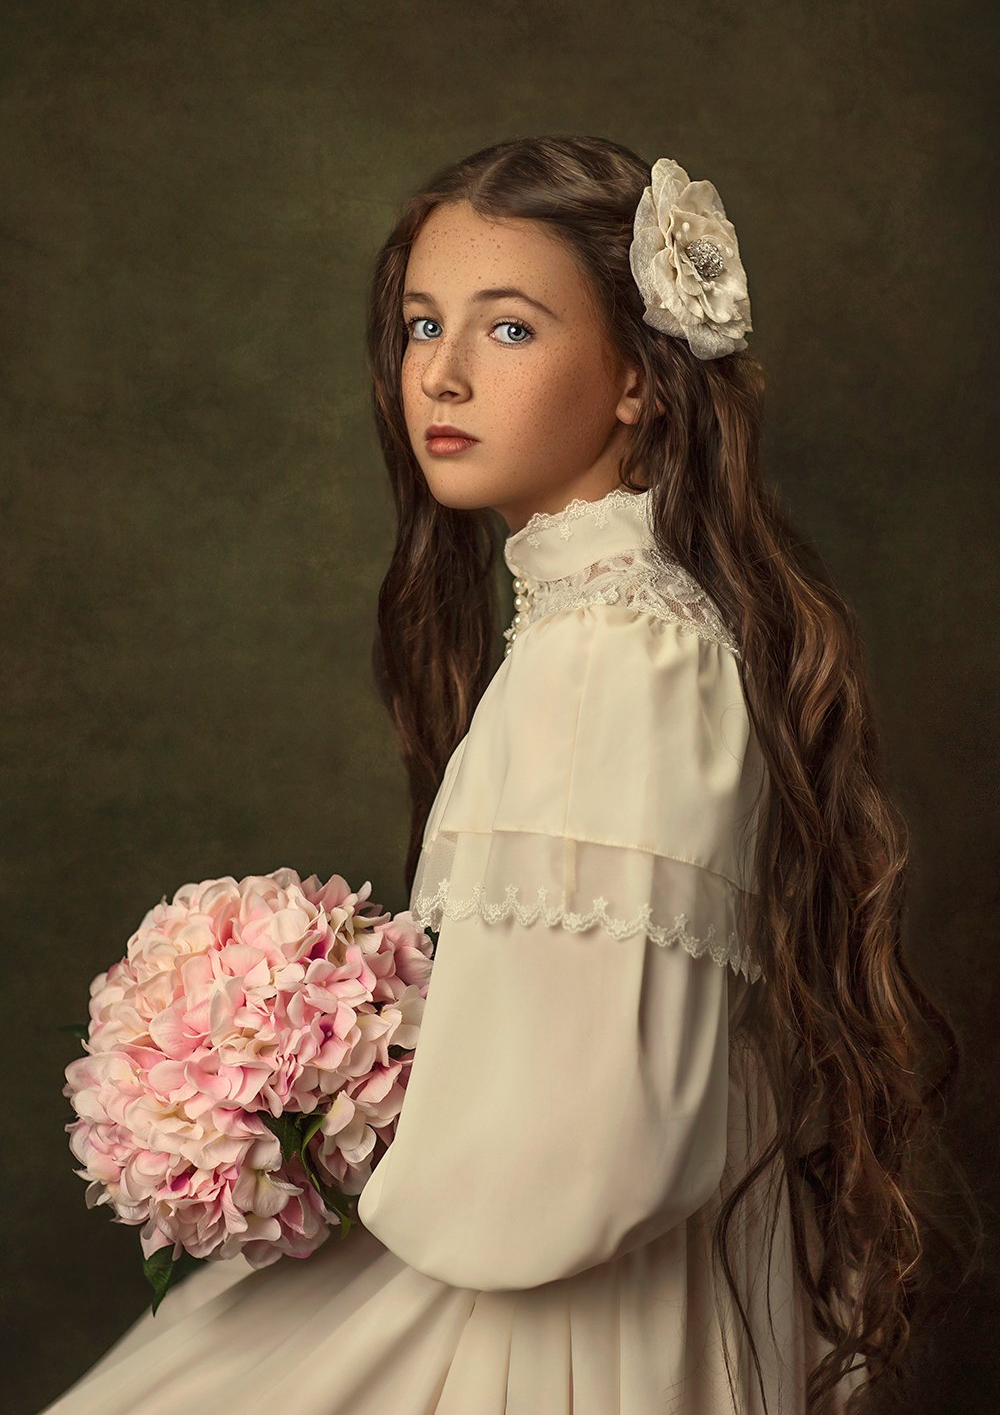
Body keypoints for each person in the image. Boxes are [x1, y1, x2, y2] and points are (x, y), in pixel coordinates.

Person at [38, 136, 979, 1415]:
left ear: (641, 380)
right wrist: (297, 1084)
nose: (444, 370)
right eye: (424, 324)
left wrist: (323, 1149)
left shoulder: (620, 657)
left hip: (556, 1330)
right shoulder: (606, 630)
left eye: (513, 330)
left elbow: (587, 1156)